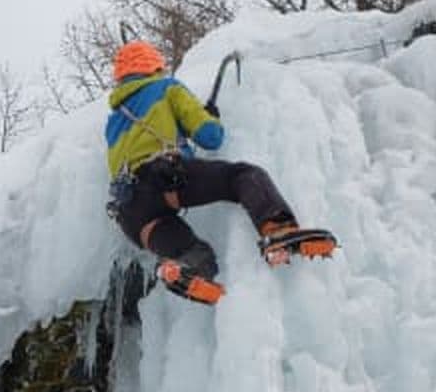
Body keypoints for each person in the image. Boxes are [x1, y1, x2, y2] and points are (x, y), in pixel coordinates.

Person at [105, 40, 335, 304]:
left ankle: (186, 273)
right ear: (155, 67)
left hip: (131, 213)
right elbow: (210, 137)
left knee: (196, 256)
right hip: (164, 180)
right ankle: (278, 231)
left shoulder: (113, 120)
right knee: (244, 176)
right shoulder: (166, 88)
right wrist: (209, 117)